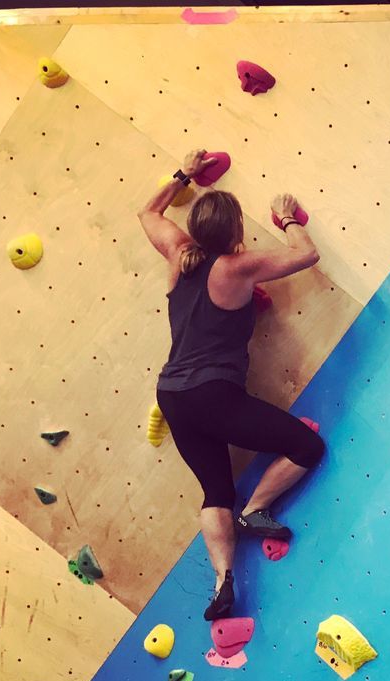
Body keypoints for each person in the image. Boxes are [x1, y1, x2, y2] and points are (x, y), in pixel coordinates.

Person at [137, 149, 325, 621]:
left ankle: (223, 582)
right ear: (236, 233)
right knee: (306, 447)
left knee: (215, 489)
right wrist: (286, 219)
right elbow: (307, 253)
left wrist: (184, 174)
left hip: (173, 395)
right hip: (212, 393)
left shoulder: (179, 253)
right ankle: (256, 510)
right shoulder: (235, 267)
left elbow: (148, 212)